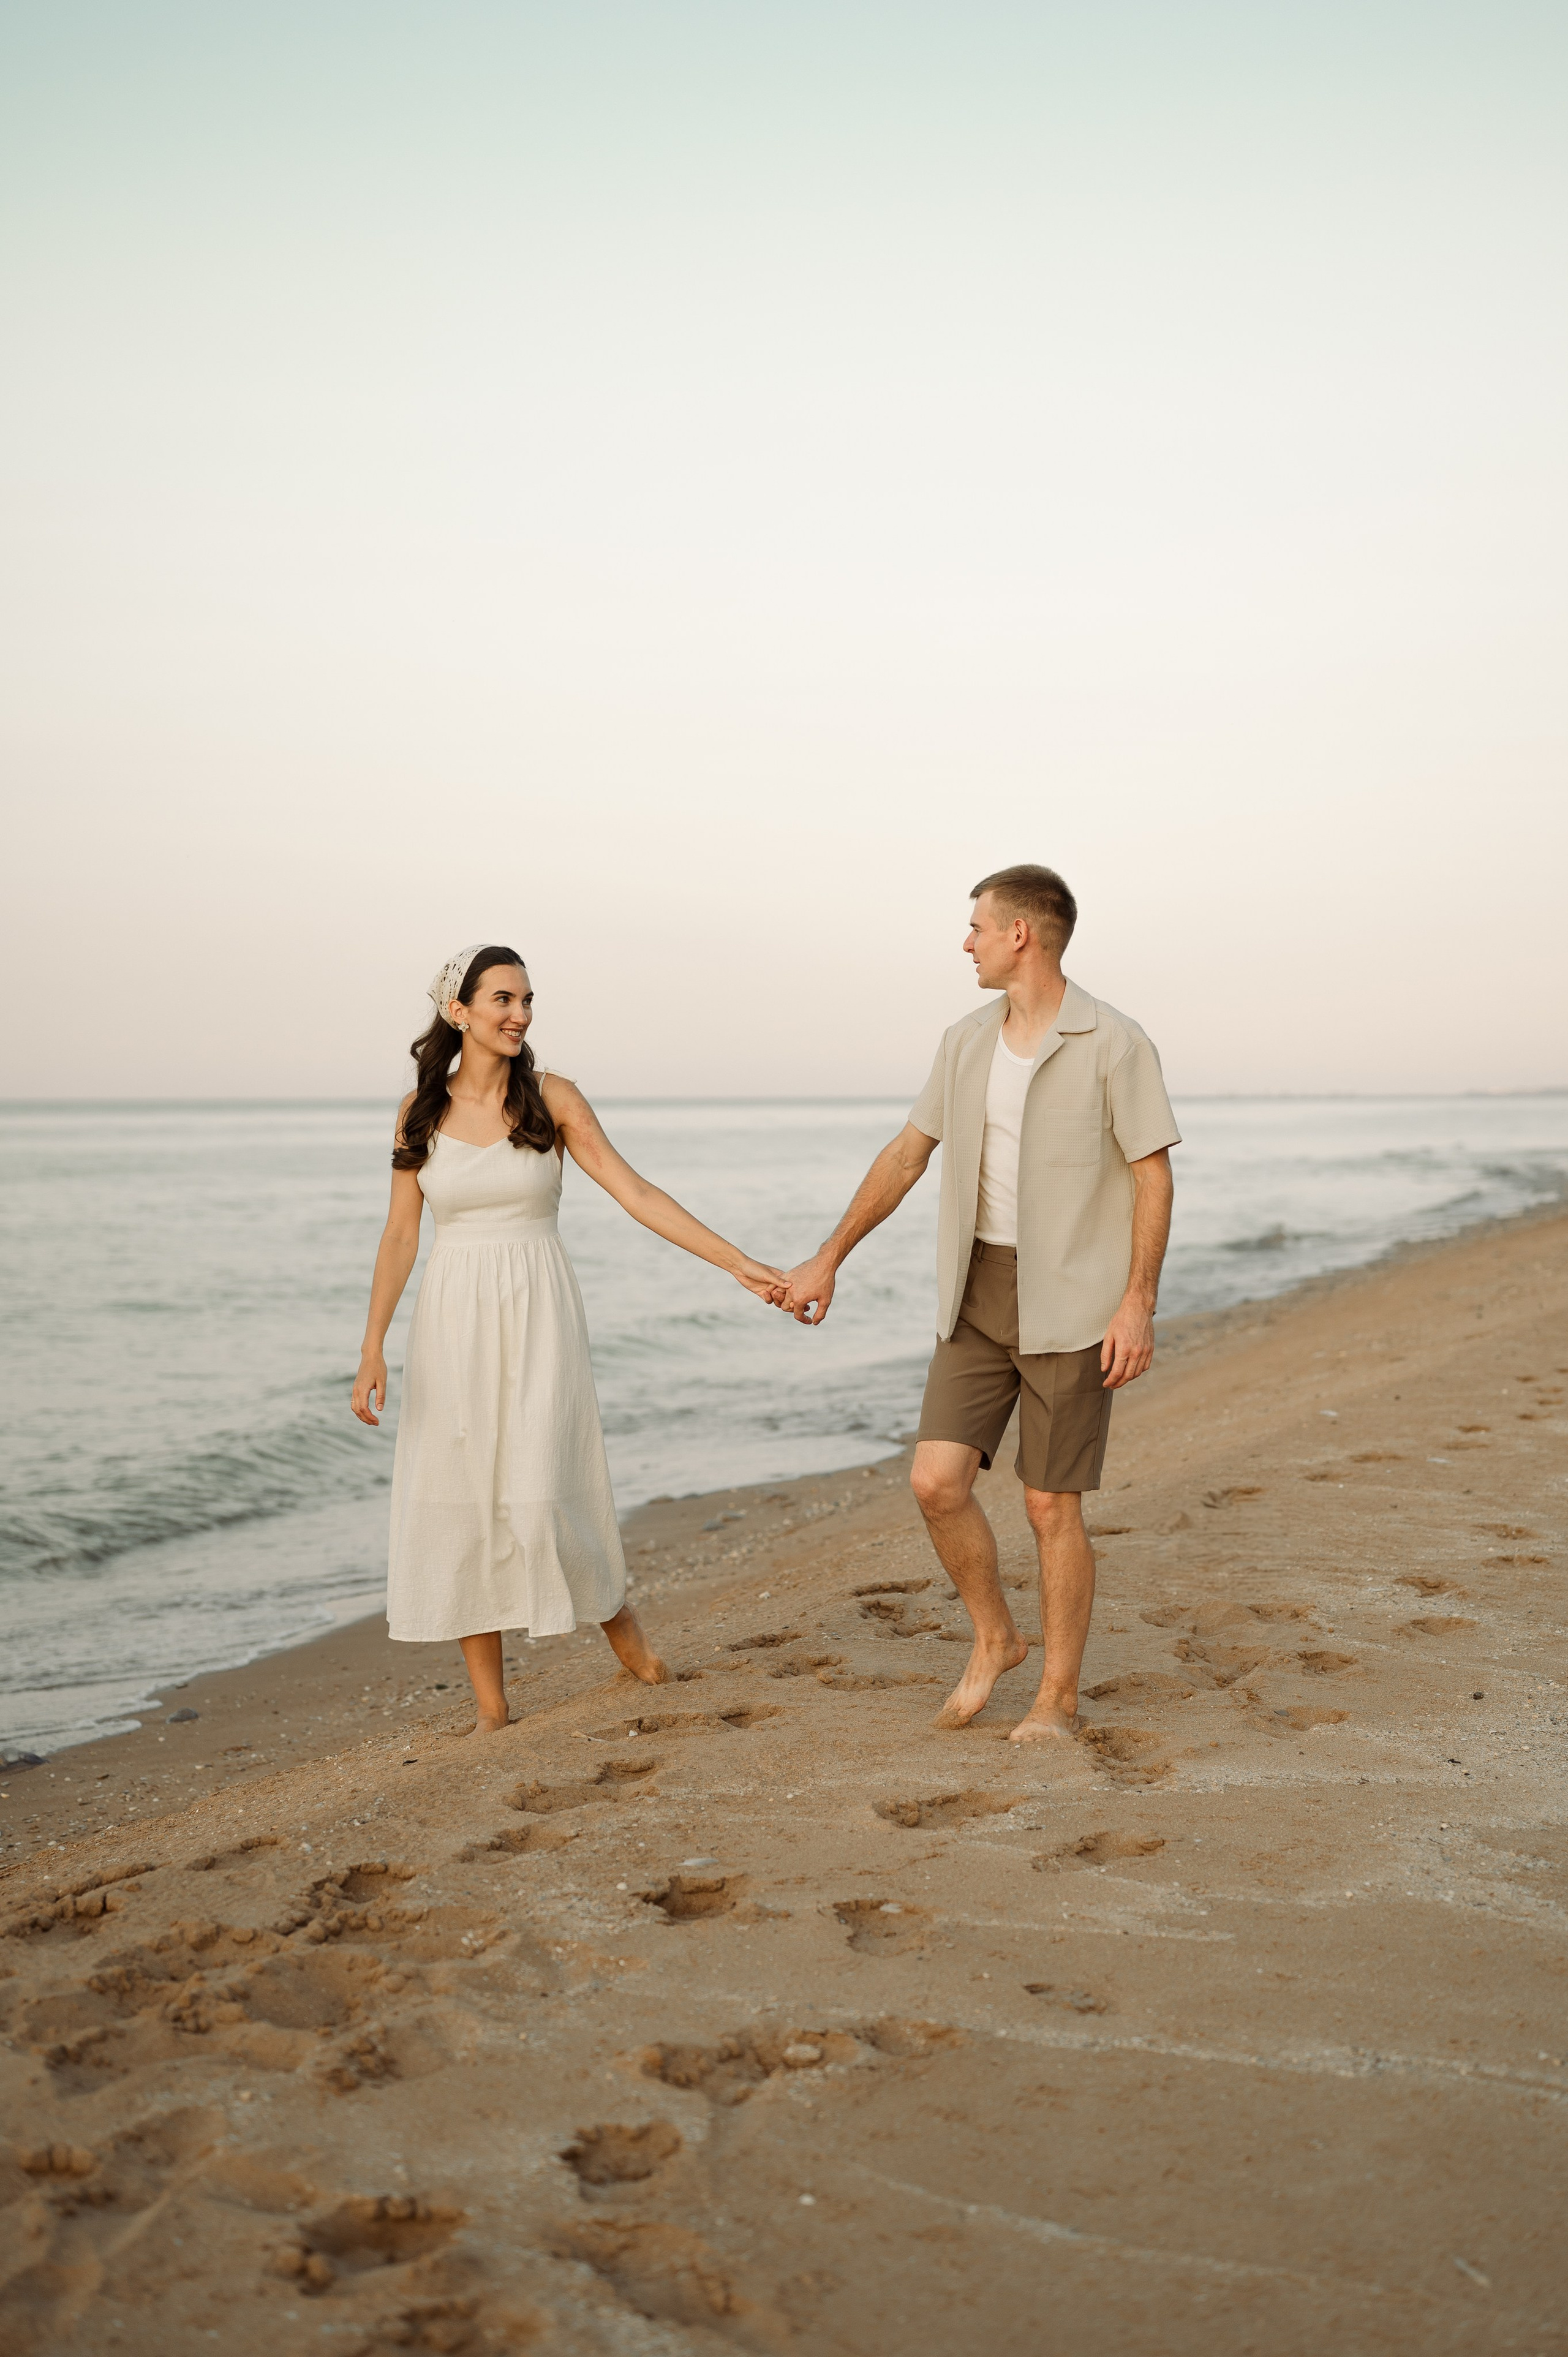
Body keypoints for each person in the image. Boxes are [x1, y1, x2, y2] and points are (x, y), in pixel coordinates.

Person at [782, 865, 1179, 1746]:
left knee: (1050, 1506)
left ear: (1021, 935)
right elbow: (906, 1155)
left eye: (977, 927)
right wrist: (828, 1257)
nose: (966, 942)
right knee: (936, 1481)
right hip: (976, 1292)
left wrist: (1137, 1303)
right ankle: (996, 1635)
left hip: (1075, 1301)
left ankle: (1058, 1699)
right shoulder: (965, 1041)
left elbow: (1154, 1175)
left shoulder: (1115, 1042)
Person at [351, 943, 784, 1733]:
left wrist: (739, 1265)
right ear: (461, 1013)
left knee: (544, 1491)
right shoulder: (418, 1114)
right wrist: (373, 1345)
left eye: (526, 1001)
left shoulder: (552, 1098)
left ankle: (626, 1635)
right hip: (452, 1322)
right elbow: (399, 1235)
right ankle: (491, 1710)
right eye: (503, 1001)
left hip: (538, 1311)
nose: (519, 1015)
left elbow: (637, 1192)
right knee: (460, 1500)